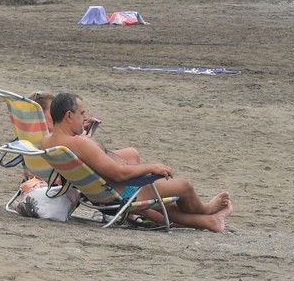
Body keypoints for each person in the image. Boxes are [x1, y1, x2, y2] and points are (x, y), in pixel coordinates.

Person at [41, 93, 233, 233]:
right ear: (68, 115)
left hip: (96, 193)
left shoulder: (49, 142)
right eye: (81, 113)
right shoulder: (79, 143)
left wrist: (84, 134)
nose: (84, 117)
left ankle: (210, 222)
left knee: (132, 156)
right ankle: (206, 211)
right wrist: (152, 167)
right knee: (184, 187)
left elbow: (85, 154)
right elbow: (119, 174)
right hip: (122, 193)